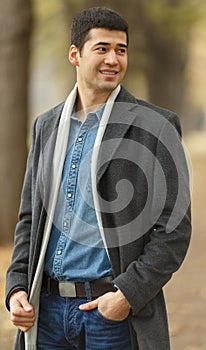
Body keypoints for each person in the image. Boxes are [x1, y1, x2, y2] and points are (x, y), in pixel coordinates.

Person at [6, 6, 191, 350]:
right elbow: (30, 218)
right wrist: (17, 286)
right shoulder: (46, 126)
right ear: (75, 55)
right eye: (102, 48)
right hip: (45, 313)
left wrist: (127, 296)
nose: (113, 59)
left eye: (121, 50)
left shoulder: (157, 126)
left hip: (111, 314)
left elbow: (175, 229)